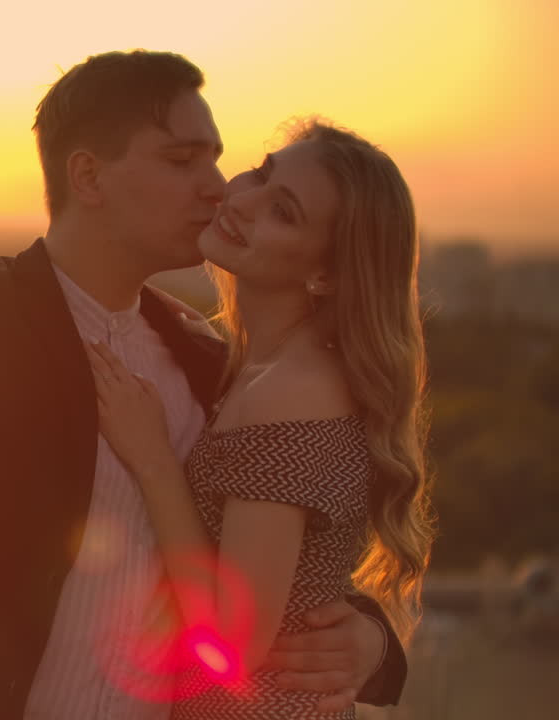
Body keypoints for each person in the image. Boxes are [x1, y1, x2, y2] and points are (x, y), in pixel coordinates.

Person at [0, 50, 407, 719]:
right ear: (88, 176)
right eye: (182, 162)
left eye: (216, 158)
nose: (218, 187)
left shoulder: (211, 364)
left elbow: (266, 558)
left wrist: (370, 642)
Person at [85, 119, 434, 718]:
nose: (241, 201)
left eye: (284, 212)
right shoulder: (262, 370)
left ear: (324, 274)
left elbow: (233, 643)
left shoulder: (289, 392)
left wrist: (154, 461)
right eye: (262, 173)